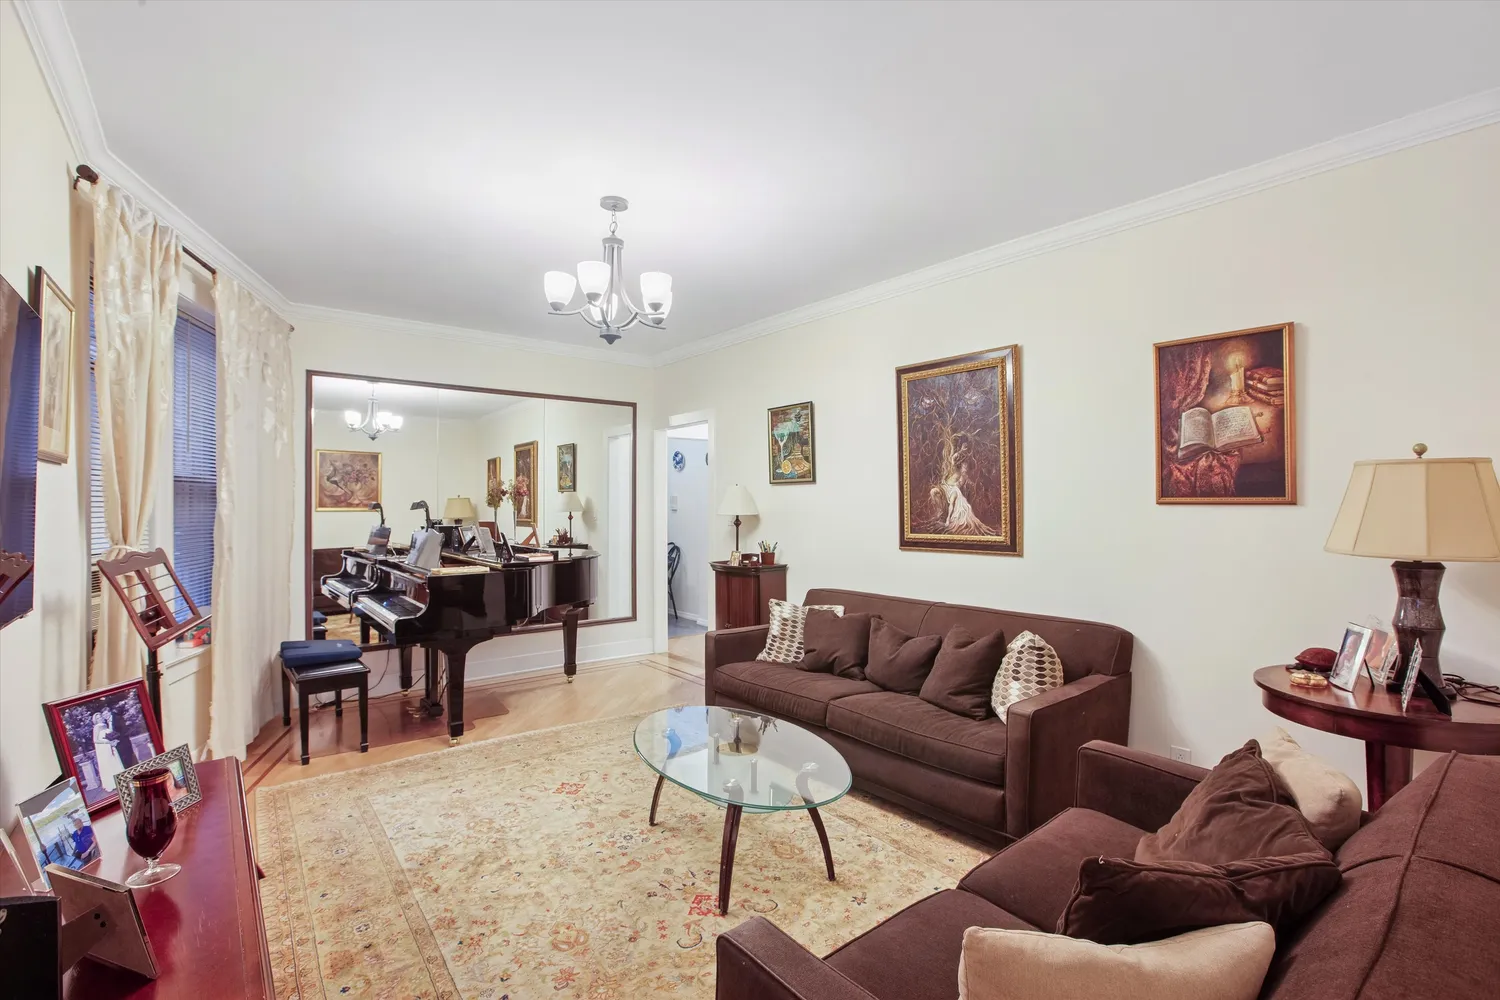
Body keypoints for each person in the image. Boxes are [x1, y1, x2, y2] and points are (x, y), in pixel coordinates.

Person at [92, 710, 125, 792]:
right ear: (95, 720)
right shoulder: (96, 727)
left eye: (100, 717)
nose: (100, 718)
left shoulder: (105, 725)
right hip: (103, 748)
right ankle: (111, 783)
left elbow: (109, 735)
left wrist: (113, 740)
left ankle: (119, 780)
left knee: (114, 761)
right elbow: (95, 740)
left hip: (110, 745)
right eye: (97, 718)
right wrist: (107, 742)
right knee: (108, 763)